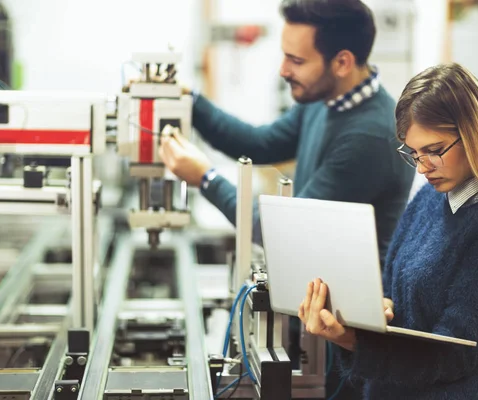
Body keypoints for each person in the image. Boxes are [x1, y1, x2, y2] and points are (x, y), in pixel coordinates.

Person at [159, 1, 414, 398]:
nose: (283, 70)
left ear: (342, 62)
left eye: (296, 59)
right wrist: (190, 100)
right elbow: (260, 142)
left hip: (346, 329)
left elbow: (286, 234)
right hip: (316, 307)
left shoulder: (369, 136)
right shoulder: (324, 101)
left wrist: (204, 178)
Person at [298, 62, 478, 400]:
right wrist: (375, 309)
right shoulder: (430, 198)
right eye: (414, 153)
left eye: (434, 150)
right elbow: (395, 292)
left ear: (475, 135)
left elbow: (453, 354)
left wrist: (352, 340)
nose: (423, 167)